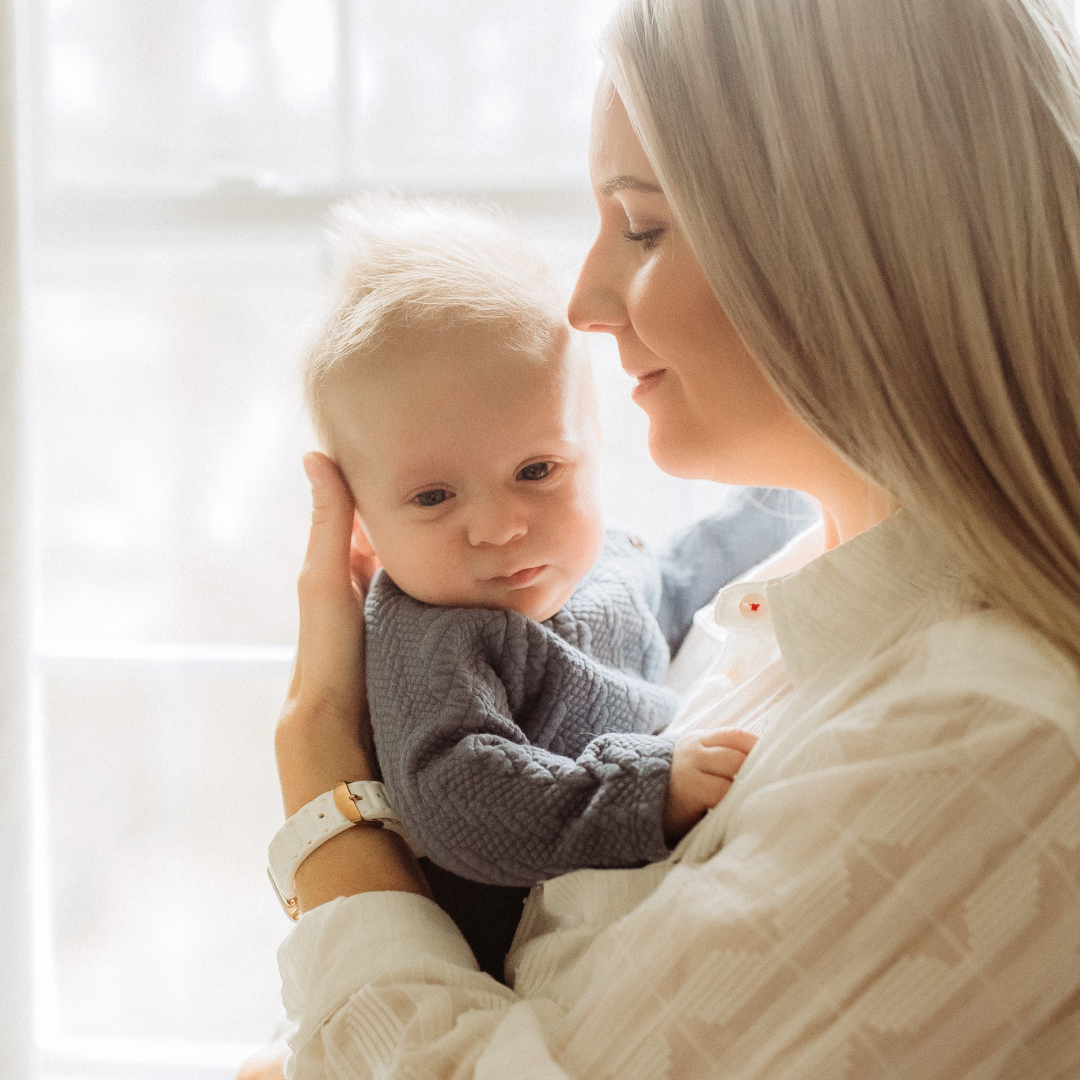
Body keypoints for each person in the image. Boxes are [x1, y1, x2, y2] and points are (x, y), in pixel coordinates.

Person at [259, 0, 1080, 1075]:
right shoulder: (773, 616)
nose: (586, 302)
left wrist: (324, 781)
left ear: (850, 249)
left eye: (642, 226)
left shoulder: (980, 741)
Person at [296, 199, 799, 977]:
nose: (500, 527)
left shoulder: (606, 564)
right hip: (482, 978)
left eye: (537, 471)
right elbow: (460, 797)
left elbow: (673, 588)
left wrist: (787, 492)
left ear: (593, 449)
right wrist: (647, 789)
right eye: (433, 497)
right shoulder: (433, 635)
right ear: (363, 530)